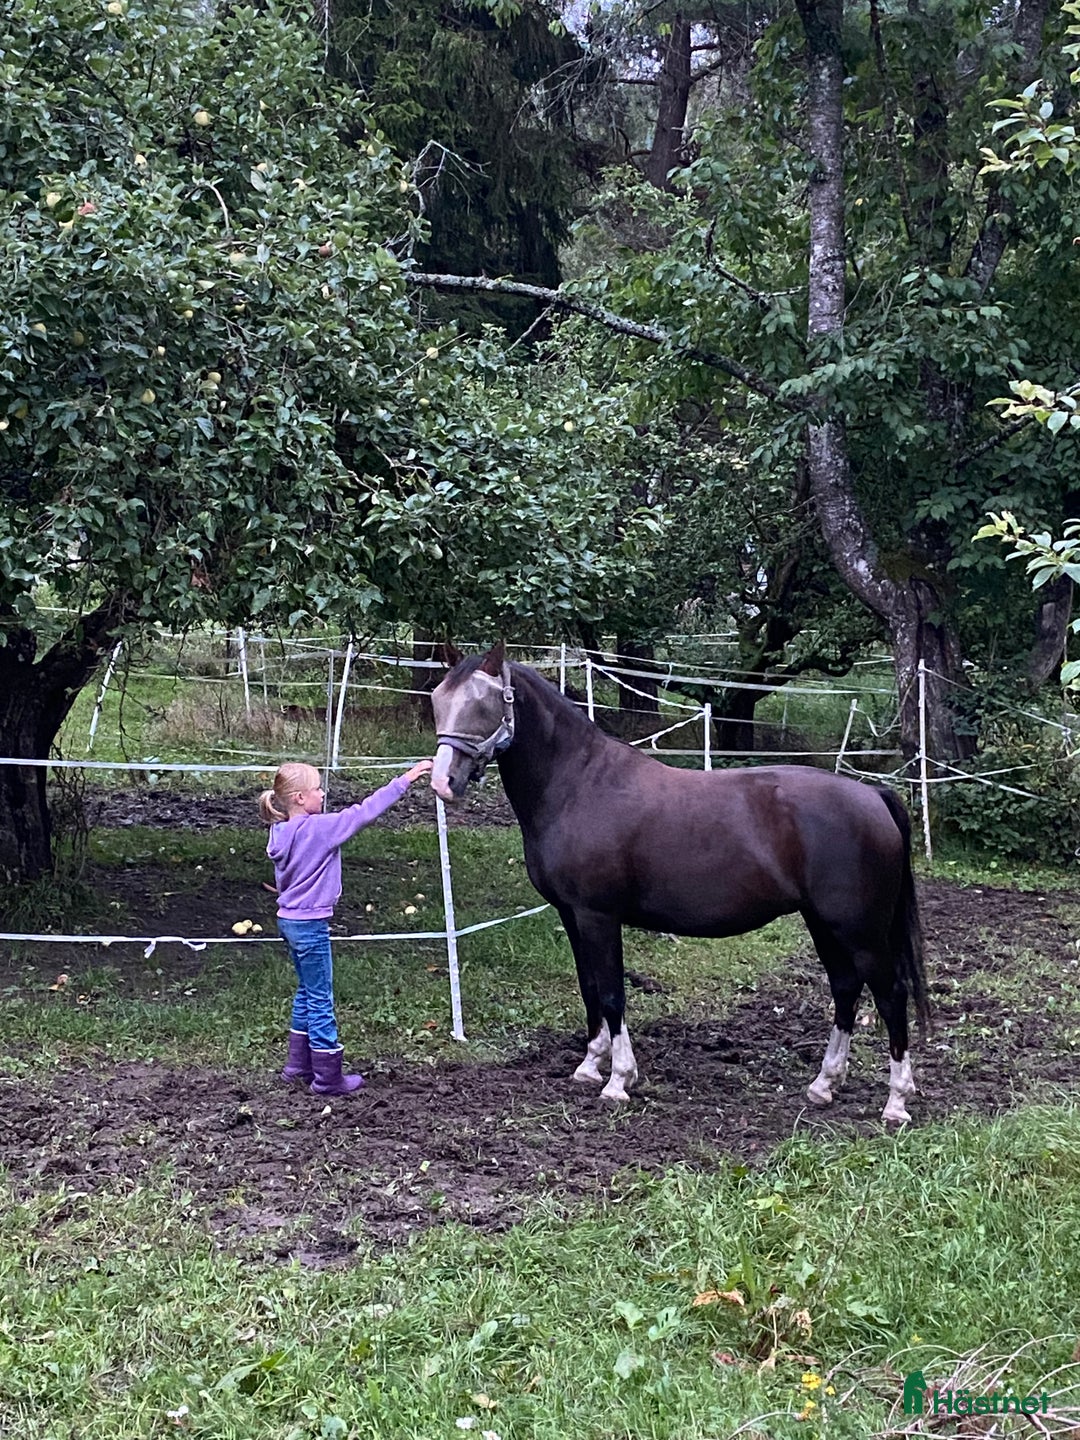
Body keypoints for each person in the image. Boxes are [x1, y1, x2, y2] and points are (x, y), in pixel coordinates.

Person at [258, 759, 433, 1096]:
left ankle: (297, 1066)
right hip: (310, 926)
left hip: (289, 922)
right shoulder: (320, 829)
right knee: (321, 997)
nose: (323, 793)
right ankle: (327, 1077)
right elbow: (365, 811)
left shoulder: (280, 832)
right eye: (317, 789)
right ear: (298, 798)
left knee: (306, 991)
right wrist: (406, 779)